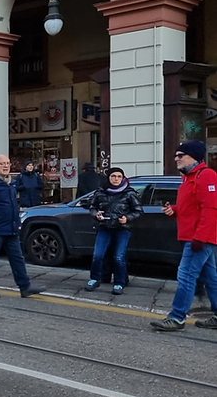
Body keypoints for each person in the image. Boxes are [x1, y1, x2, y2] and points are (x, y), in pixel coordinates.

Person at [150, 141, 217, 331]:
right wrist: (175, 209)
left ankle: (177, 317)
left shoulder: (206, 175)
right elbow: (192, 207)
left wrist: (200, 238)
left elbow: (211, 209)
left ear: (194, 156)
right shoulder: (188, 178)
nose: (176, 159)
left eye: (181, 155)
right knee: (210, 277)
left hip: (199, 237)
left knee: (186, 275)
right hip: (193, 236)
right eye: (176, 155)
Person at [0, 155, 46, 299]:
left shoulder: (11, 182)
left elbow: (14, 205)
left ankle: (25, 287)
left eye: (7, 163)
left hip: (11, 228)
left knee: (17, 258)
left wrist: (18, 223)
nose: (6, 166)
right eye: (2, 164)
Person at [85, 167, 142, 295]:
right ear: (108, 178)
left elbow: (138, 211)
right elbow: (92, 207)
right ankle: (94, 279)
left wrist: (127, 218)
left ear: (122, 178)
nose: (116, 179)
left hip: (122, 229)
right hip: (104, 227)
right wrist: (96, 215)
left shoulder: (130, 193)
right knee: (97, 255)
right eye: (113, 176)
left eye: (119, 176)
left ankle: (119, 283)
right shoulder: (100, 192)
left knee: (118, 257)